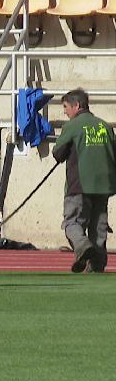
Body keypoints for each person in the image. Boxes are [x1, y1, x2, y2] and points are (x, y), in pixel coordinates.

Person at [53, 89, 116, 273]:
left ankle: (83, 247)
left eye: (65, 107)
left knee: (72, 223)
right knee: (99, 226)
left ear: (76, 105)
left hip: (79, 185)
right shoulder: (105, 126)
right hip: (104, 185)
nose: (65, 112)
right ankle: (97, 264)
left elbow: (58, 153)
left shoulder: (73, 126)